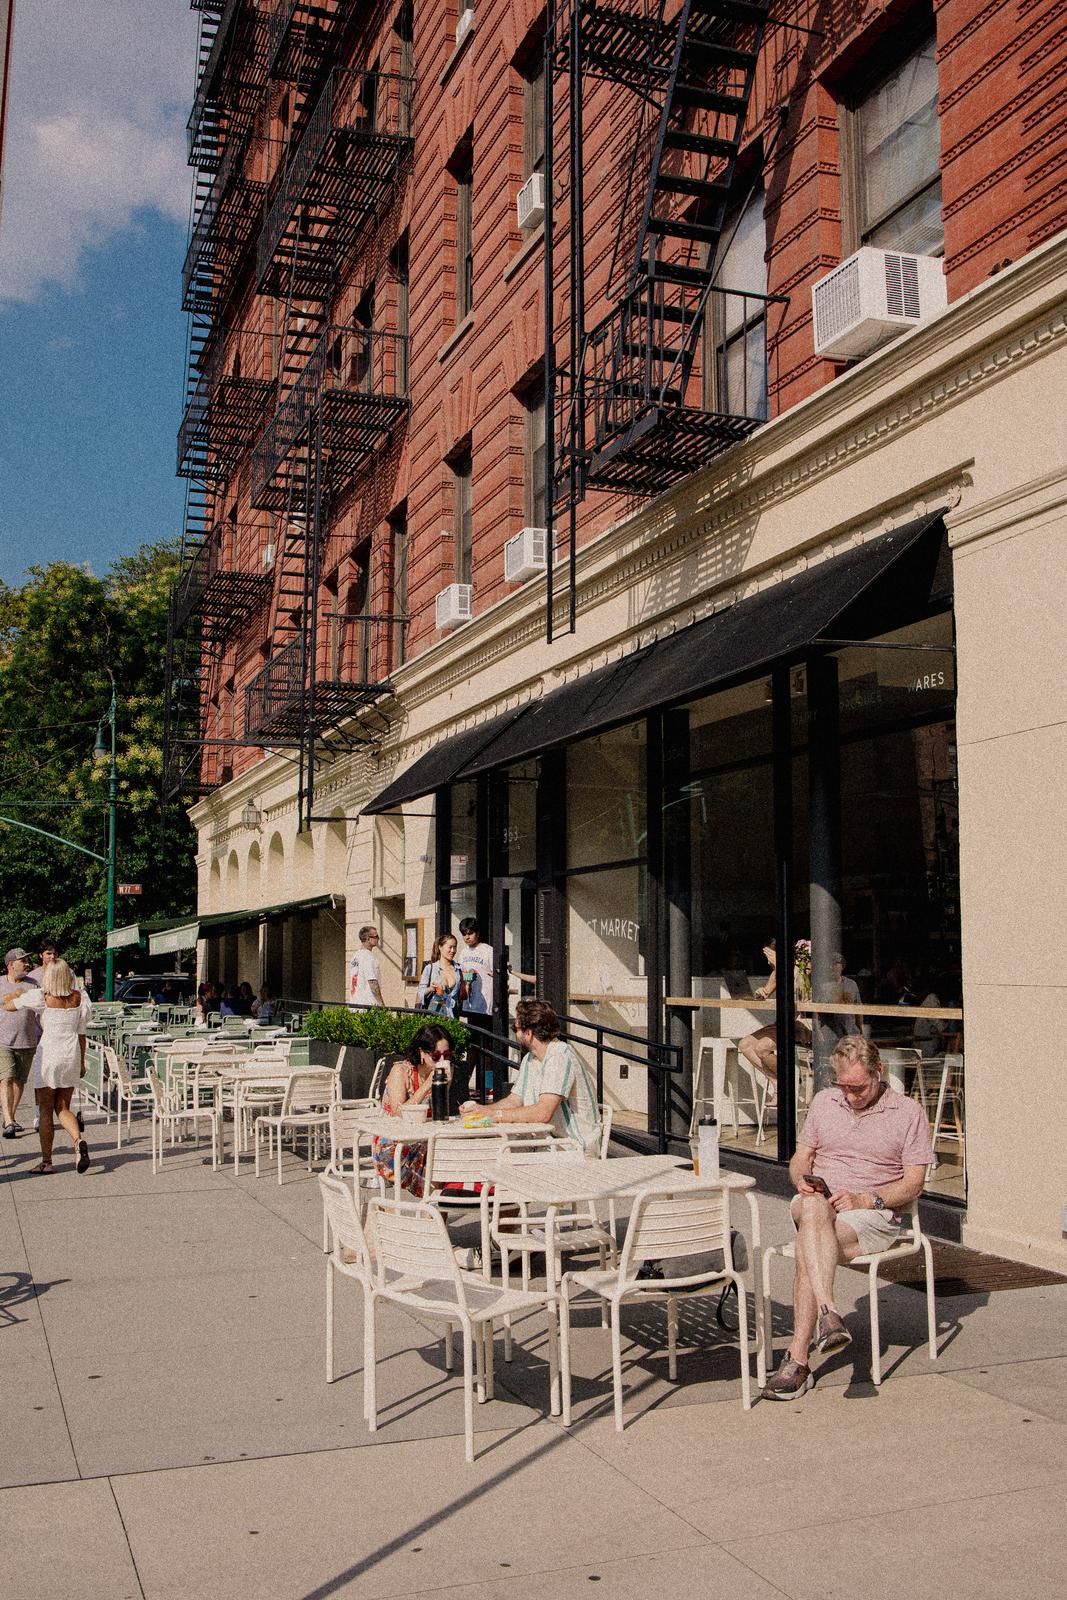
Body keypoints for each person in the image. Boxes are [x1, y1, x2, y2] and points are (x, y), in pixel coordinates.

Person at [761, 1034, 934, 1400]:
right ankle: (828, 1312)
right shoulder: (825, 1102)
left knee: (809, 1243)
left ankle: (796, 1359)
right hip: (818, 1203)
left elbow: (914, 1184)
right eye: (844, 1086)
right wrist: (801, 1181)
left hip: (871, 1214)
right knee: (812, 1208)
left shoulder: (907, 1112)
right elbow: (800, 1158)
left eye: (859, 1087)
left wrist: (866, 1198)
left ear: (879, 1072)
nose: (851, 1095)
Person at [470, 998, 601, 1154]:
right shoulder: (531, 1058)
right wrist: (481, 1111)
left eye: (515, 1029)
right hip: (546, 1144)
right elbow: (514, 1100)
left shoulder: (559, 1055)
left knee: (498, 1157)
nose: (515, 1034)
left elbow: (543, 1112)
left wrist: (495, 1115)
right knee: (491, 1153)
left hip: (572, 1148)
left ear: (528, 1033)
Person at [4, 959, 92, 1174]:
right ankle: (78, 1141)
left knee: (45, 1109)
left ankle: (46, 1161)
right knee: (62, 1106)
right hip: (71, 1053)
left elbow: (8, 1006)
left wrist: (16, 995)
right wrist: (81, 1062)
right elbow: (82, 1035)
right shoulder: (80, 999)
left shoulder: (42, 997)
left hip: (49, 1054)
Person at [372, 1022, 454, 1195]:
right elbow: (397, 1114)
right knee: (440, 1163)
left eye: (446, 1055)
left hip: (426, 1138)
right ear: (422, 1053)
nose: (442, 1060)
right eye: (436, 1055)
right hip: (393, 1144)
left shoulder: (445, 1071)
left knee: (450, 1158)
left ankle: (434, 1215)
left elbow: (441, 1114)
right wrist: (426, 1088)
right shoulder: (401, 1071)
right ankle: (432, 1214)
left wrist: (444, 1085)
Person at [0, 948, 41, 1138]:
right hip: (3, 1041)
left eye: (27, 960)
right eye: (22, 961)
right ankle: (8, 1120)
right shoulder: (0, 984)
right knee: (5, 1079)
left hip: (28, 1041)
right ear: (11, 965)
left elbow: (42, 1011)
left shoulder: (33, 985)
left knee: (19, 1081)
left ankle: (11, 1116)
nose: (26, 964)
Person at [738, 939, 779, 1096]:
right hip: (781, 1023)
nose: (768, 961)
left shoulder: (796, 972)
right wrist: (761, 993)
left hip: (798, 1024)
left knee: (762, 1047)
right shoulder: (776, 974)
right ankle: (776, 1082)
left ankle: (787, 1083)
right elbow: (767, 991)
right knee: (745, 1044)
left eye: (770, 956)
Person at [416, 932, 463, 1017]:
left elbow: (465, 991)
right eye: (450, 947)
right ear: (440, 947)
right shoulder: (430, 968)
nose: (453, 951)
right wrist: (431, 988)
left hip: (453, 1015)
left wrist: (469, 979)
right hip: (434, 1014)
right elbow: (420, 992)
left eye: (455, 947)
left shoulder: (459, 969)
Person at [457, 918, 494, 1015]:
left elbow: (497, 974)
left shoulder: (488, 950)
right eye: (464, 934)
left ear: (477, 933)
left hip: (485, 1001)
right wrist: (469, 976)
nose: (467, 937)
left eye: (470, 934)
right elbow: (462, 976)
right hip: (469, 1003)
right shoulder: (463, 953)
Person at [349, 925, 385, 1007]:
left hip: (355, 1004)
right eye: (376, 936)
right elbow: (372, 982)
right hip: (368, 1005)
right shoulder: (368, 957)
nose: (378, 939)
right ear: (368, 939)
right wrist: (381, 1003)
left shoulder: (355, 956)